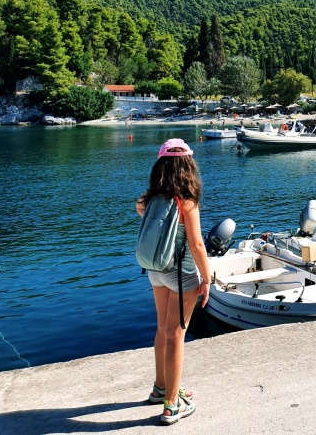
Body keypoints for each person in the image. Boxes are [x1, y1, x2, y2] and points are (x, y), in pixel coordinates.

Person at [136, 138, 211, 426]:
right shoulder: (187, 203)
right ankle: (172, 405)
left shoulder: (151, 199)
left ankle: (161, 388)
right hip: (182, 275)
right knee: (176, 335)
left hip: (155, 270)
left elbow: (139, 207)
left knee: (162, 330)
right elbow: (197, 245)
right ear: (188, 166)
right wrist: (207, 278)